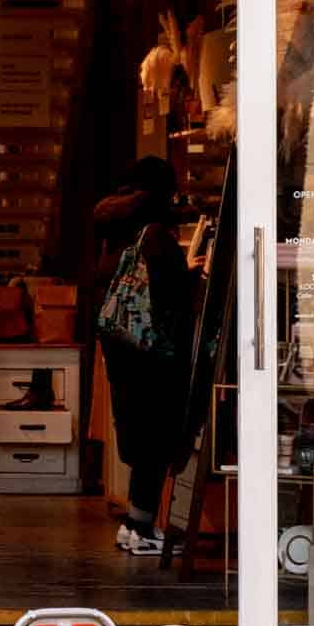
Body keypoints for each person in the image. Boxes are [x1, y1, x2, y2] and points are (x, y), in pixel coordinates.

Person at [94, 156, 194, 559]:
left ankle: (134, 525)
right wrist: (192, 275)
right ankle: (143, 527)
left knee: (137, 436)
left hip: (122, 350)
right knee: (156, 438)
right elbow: (170, 296)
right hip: (152, 354)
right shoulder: (155, 236)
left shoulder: (115, 230)